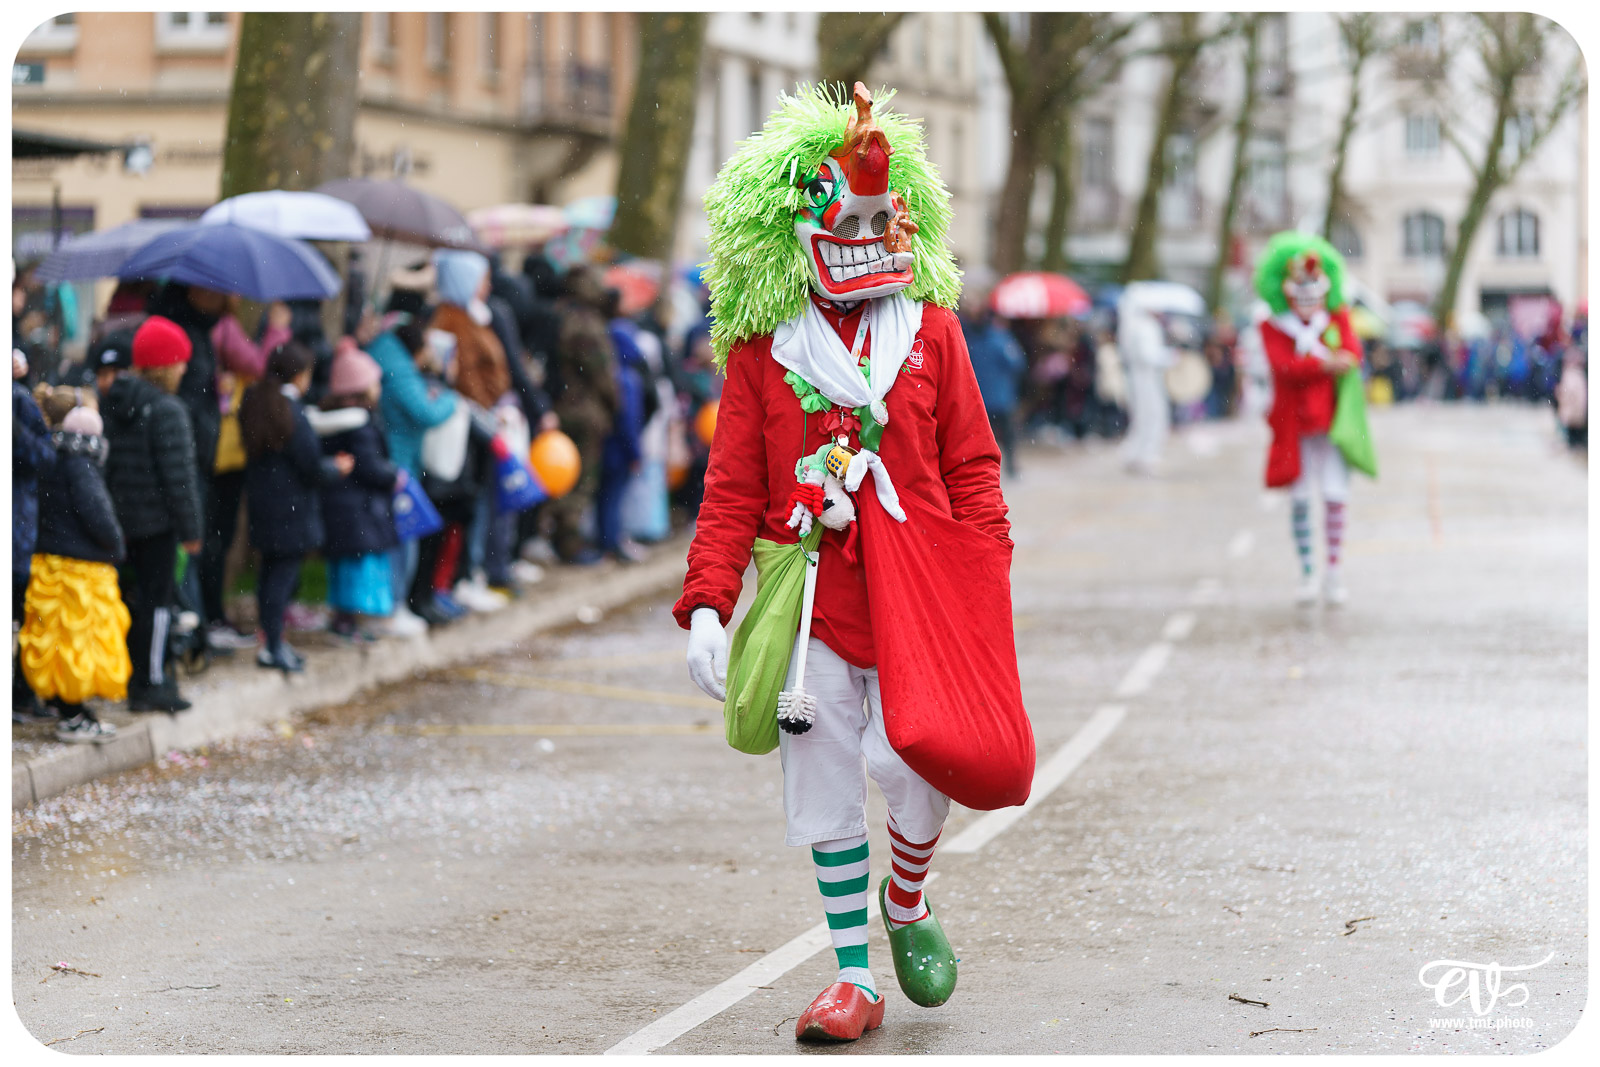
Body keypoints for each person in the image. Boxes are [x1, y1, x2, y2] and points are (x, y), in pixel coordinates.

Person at [678, 84, 1033, 1043]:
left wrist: (984, 578)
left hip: (919, 592)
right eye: (851, 220)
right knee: (825, 778)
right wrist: (708, 603)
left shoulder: (934, 331)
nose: (869, 237)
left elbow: (972, 465)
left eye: (883, 220)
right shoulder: (762, 351)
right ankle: (852, 973)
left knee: (914, 761)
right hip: (812, 605)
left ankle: (906, 896)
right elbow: (731, 489)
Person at [1254, 232, 1363, 607]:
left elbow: (1353, 352)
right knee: (1300, 499)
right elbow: (1283, 366)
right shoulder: (1272, 326)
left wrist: (1338, 360)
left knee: (1335, 496)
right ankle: (1307, 572)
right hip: (1293, 424)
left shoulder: (1337, 317)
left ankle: (1333, 571)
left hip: (1331, 423)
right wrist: (1325, 364)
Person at [102, 317, 203, 712]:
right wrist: (191, 530)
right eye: (180, 361)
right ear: (165, 365)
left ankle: (127, 674)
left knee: (128, 601)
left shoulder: (114, 402)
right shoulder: (167, 410)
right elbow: (179, 479)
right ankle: (151, 682)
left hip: (120, 522)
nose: (184, 368)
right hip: (158, 525)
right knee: (158, 605)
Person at [239, 343, 354, 672]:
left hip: (263, 504)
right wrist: (337, 468)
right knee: (282, 579)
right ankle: (274, 646)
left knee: (269, 576)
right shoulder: (291, 411)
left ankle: (271, 642)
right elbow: (310, 466)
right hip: (291, 508)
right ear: (300, 375)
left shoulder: (255, 402)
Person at [18, 402, 129, 742]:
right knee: (77, 642)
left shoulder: (52, 460)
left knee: (54, 640)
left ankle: (63, 706)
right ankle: (73, 713)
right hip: (78, 568)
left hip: (50, 562)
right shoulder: (81, 465)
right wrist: (116, 544)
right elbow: (97, 512)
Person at [202, 298, 293, 651]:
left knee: (214, 537)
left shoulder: (212, 326)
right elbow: (260, 365)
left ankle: (211, 613)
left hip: (217, 449)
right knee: (215, 538)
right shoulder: (222, 326)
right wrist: (277, 329)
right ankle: (212, 615)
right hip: (222, 452)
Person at [426, 250, 512, 611]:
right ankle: (449, 582)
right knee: (458, 505)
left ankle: (459, 578)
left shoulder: (471, 317)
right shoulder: (452, 321)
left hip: (478, 421)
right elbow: (465, 377)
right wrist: (486, 409)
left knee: (468, 505)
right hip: (466, 427)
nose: (487, 286)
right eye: (481, 279)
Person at [369, 314, 461, 629]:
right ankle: (392, 609)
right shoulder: (401, 372)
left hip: (396, 462)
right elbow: (426, 413)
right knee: (403, 539)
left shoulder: (391, 362)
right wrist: (449, 398)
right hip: (399, 465)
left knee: (401, 537)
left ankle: (392, 607)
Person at [318, 342, 405, 640]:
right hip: (360, 509)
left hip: (340, 506)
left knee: (343, 567)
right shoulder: (360, 425)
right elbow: (369, 466)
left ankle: (344, 620)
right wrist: (392, 476)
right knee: (359, 569)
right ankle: (349, 623)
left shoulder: (330, 420)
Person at [548, 265, 620, 563]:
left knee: (561, 477)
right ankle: (569, 543)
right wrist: (615, 403)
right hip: (584, 410)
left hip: (559, 407)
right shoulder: (586, 322)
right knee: (579, 481)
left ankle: (560, 537)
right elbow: (601, 372)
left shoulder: (558, 315)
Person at [12, 350, 56, 722]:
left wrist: (16, 433)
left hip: (16, 534)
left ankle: (20, 694)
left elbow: (45, 456)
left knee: (18, 617)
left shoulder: (18, 401)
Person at [960, 294, 1027, 478]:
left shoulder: (972, 337)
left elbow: (1017, 363)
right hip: (994, 397)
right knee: (1002, 435)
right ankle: (1005, 468)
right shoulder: (998, 338)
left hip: (987, 397)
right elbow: (1017, 364)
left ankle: (991, 469)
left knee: (987, 437)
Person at [1118, 285, 1175, 474]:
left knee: (1143, 417)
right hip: (1146, 378)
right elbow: (1149, 356)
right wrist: (1170, 357)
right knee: (1152, 416)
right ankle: (1145, 456)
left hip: (1140, 377)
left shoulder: (1133, 324)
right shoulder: (1145, 326)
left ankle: (1136, 454)